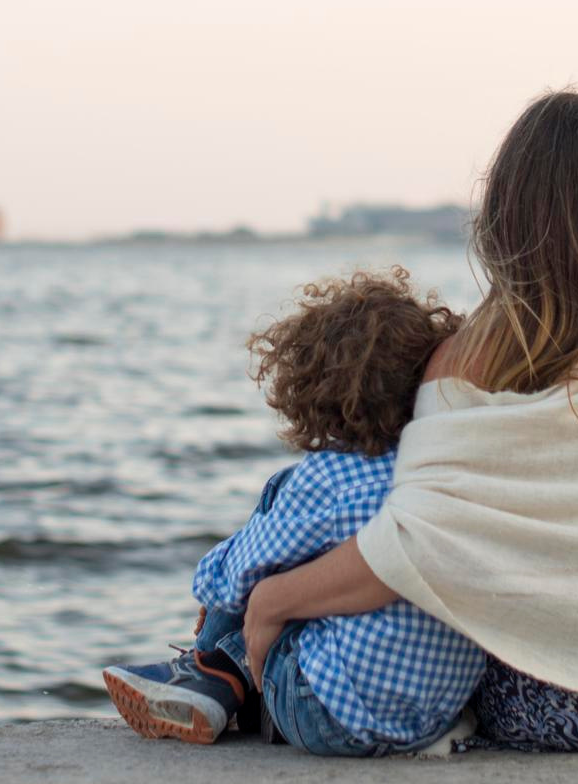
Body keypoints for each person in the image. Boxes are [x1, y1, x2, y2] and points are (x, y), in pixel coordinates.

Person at [238, 91, 578, 753]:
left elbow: (415, 543)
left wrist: (272, 600)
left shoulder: (481, 353)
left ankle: (218, 658)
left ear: (511, 213)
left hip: (556, 702)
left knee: (343, 487)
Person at [100, 269, 487, 755]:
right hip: (435, 710)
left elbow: (237, 575)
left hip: (327, 715)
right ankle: (223, 679)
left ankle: (210, 673)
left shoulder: (326, 477)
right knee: (316, 563)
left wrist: (218, 585)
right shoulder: (438, 473)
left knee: (275, 518)